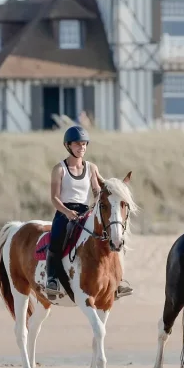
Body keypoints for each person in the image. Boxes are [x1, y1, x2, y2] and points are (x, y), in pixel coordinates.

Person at [44, 125, 132, 301]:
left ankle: (118, 280)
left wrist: (113, 191)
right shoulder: (59, 169)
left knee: (111, 237)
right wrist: (67, 212)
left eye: (84, 144)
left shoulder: (91, 168)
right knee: (56, 239)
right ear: (68, 146)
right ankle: (52, 279)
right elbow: (54, 198)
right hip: (64, 212)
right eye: (77, 144)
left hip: (86, 212)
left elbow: (97, 191)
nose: (81, 148)